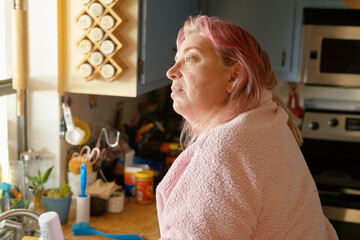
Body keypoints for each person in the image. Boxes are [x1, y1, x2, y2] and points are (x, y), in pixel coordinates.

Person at [156, 15, 338, 239]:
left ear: (233, 76)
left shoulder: (225, 153)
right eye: (176, 59)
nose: (171, 71)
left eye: (191, 59)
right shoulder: (267, 128)